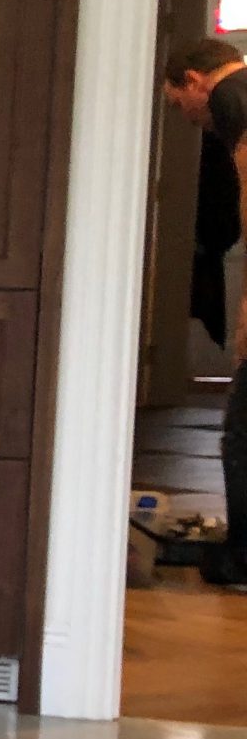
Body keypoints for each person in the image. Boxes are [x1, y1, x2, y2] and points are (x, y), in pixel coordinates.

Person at [161, 37, 247, 584]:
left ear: (195, 80)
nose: (190, 118)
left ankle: (241, 558)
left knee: (242, 430)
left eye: (178, 103)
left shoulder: (231, 98)